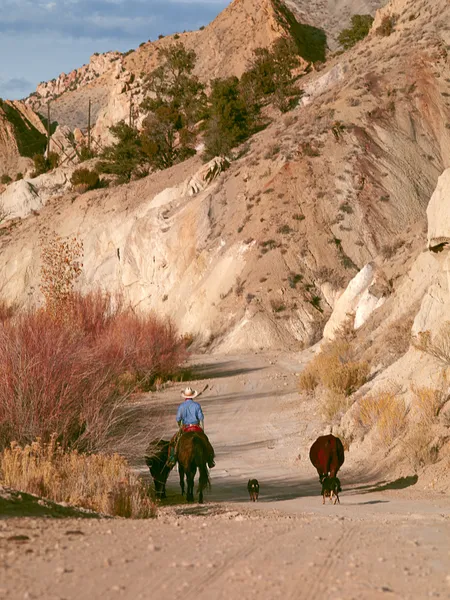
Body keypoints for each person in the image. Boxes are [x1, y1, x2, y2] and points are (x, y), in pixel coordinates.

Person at [168, 387, 215, 468]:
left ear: (185, 396)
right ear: (192, 396)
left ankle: (173, 458)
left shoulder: (181, 406)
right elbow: (201, 418)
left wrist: (180, 426)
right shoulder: (197, 405)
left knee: (174, 442)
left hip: (185, 428)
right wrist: (201, 429)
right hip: (196, 427)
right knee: (206, 442)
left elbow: (178, 418)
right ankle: (210, 460)